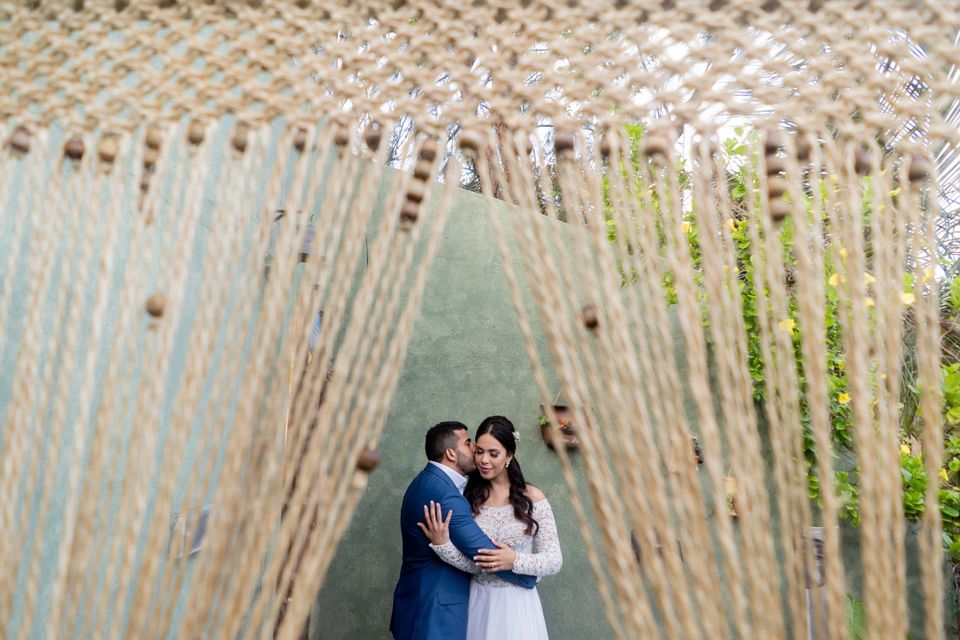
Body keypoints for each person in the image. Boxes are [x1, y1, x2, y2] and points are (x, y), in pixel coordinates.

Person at [419, 416, 563, 640]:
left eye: (493, 454)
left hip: (518, 606)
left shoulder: (533, 497)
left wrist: (514, 560)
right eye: (479, 451)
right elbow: (476, 565)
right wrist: (443, 546)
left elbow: (554, 560)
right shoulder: (466, 496)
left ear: (509, 456)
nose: (484, 460)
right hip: (479, 601)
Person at [390, 421, 537, 640]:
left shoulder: (424, 481)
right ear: (451, 453)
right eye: (468, 443)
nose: (474, 448)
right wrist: (528, 576)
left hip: (416, 602)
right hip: (436, 611)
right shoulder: (446, 495)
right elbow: (482, 552)